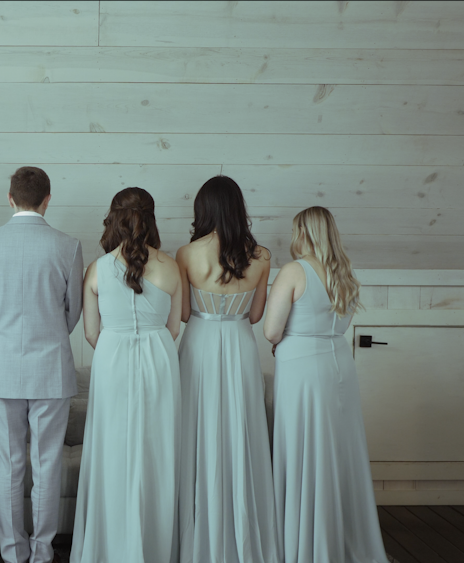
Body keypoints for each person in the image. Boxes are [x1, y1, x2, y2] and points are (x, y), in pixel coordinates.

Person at [263, 206, 389, 563]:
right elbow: (341, 326)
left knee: (304, 450)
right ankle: (343, 538)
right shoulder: (343, 272)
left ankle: (308, 544)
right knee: (338, 452)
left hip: (302, 370)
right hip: (339, 368)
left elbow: (272, 330)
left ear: (303, 233)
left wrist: (282, 339)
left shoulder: (294, 271)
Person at [0, 166, 84, 563]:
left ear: (9, 197)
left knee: (10, 465)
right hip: (52, 368)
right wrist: (52, 333)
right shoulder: (68, 245)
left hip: (2, 368)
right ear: (47, 199)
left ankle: (11, 552)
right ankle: (42, 552)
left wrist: (4, 336)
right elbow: (73, 312)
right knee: (47, 464)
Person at [71, 187, 183, 563]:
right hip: (159, 357)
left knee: (112, 449)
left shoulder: (97, 269)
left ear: (113, 218)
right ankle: (153, 545)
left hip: (112, 357)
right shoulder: (171, 266)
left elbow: (90, 332)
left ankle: (111, 546)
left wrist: (118, 343)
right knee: (157, 451)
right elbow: (174, 327)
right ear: (151, 218)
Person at [175, 176, 281, 562]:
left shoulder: (186, 254)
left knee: (197, 427)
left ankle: (197, 526)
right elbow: (255, 316)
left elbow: (184, 313)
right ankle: (243, 529)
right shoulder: (263, 256)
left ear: (203, 208)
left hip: (200, 342)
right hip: (238, 343)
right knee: (242, 427)